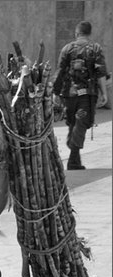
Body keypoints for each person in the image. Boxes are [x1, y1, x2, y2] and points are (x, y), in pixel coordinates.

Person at [53, 20, 108, 170]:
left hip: (69, 95)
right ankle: (73, 155)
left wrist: (55, 93)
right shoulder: (95, 49)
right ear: (89, 34)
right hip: (86, 96)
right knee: (80, 124)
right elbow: (101, 73)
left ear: (76, 33)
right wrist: (104, 93)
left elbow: (59, 72)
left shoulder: (66, 49)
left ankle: (74, 160)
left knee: (74, 123)